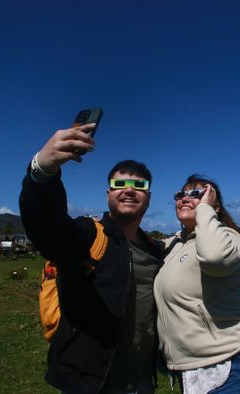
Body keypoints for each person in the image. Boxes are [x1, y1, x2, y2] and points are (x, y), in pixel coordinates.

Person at [19, 123, 164, 394]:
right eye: (119, 184)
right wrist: (42, 173)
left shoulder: (156, 251)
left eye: (139, 185)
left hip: (142, 379)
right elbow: (48, 228)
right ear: (108, 194)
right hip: (89, 382)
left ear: (149, 197)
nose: (129, 189)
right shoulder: (88, 235)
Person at [154, 175, 240, 393]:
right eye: (181, 195)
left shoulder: (227, 236)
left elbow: (215, 259)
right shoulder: (173, 245)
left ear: (214, 205)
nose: (185, 199)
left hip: (230, 365)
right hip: (190, 369)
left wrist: (205, 211)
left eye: (197, 194)